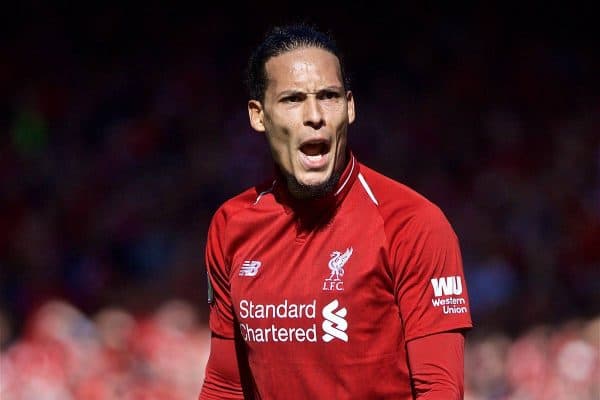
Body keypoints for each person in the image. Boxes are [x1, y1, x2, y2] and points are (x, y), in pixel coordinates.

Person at [199, 23, 472, 400]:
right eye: (293, 99)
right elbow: (226, 384)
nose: (315, 115)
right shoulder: (232, 225)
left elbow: (440, 389)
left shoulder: (413, 224)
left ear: (350, 106)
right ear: (258, 115)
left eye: (328, 96)